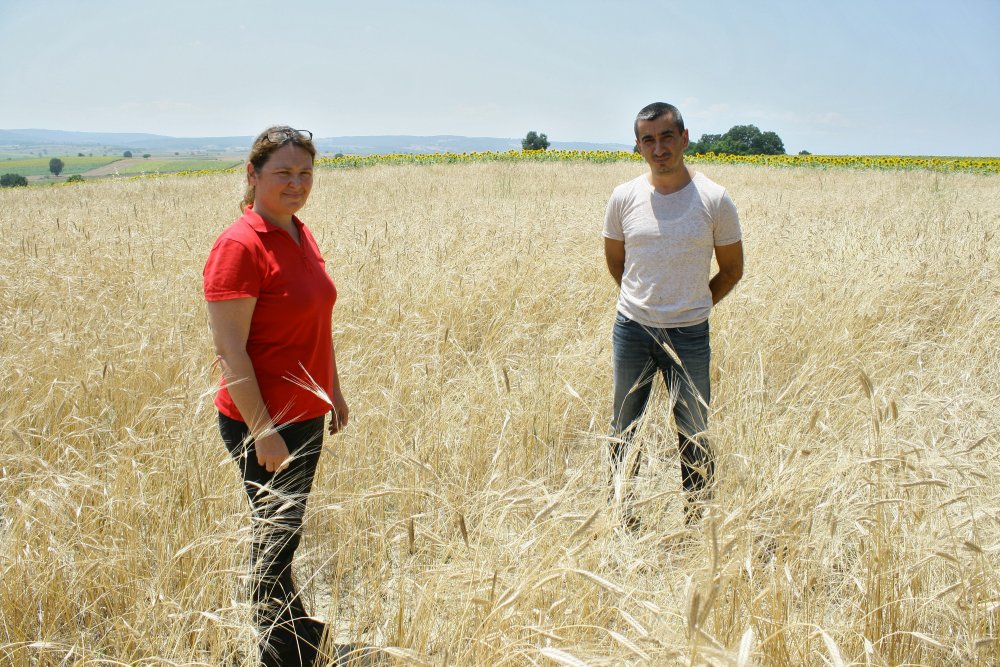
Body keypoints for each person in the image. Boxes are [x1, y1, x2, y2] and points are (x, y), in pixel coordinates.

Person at [203, 126, 349, 666]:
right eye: (283, 173)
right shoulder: (240, 245)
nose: (296, 183)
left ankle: (301, 643)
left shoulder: (298, 233)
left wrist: (332, 386)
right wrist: (263, 430)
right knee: (274, 544)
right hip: (262, 424)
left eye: (305, 172)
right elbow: (230, 351)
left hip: (306, 412)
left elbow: (317, 320)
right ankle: (282, 655)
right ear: (253, 175)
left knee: (283, 536)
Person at [603, 102, 744, 528]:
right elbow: (617, 262)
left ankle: (696, 523)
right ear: (637, 147)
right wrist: (642, 302)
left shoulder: (714, 200)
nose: (659, 148)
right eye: (649, 140)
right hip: (632, 330)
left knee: (694, 431)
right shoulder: (624, 197)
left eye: (667, 137)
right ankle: (621, 517)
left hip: (689, 334)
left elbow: (733, 269)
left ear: (685, 138)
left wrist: (693, 306)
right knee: (624, 425)